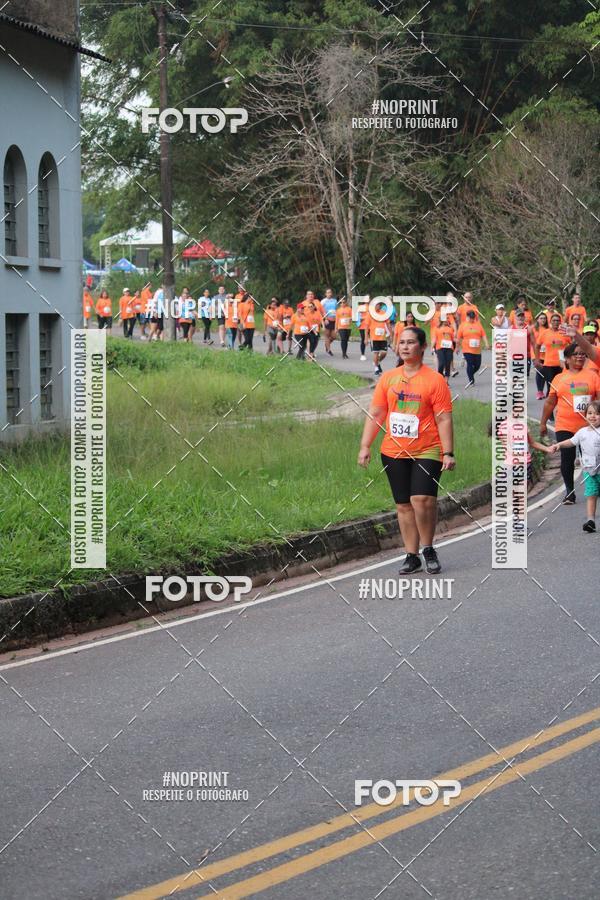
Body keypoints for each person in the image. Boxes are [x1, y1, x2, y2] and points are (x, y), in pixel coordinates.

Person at [357, 326, 455, 575]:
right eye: (401, 342)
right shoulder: (388, 378)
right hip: (393, 450)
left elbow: (443, 418)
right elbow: (377, 412)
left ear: (422, 347)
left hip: (428, 449)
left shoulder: (435, 380)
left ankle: (429, 548)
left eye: (411, 342)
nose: (405, 347)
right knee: (403, 505)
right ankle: (411, 556)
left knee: (422, 500)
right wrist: (365, 445)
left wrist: (448, 452)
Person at [539, 343, 600, 504]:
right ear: (567, 358)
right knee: (567, 459)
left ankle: (594, 487)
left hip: (589, 427)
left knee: (593, 458)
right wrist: (543, 423)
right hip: (565, 424)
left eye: (582, 354)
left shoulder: (592, 376)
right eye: (576, 354)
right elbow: (550, 402)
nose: (580, 357)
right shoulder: (559, 378)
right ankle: (569, 492)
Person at [549, 401, 600, 532]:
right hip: (589, 471)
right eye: (590, 413)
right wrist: (559, 445)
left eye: (597, 413)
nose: (593, 416)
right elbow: (571, 442)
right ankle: (590, 521)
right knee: (591, 495)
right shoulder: (582, 432)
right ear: (585, 415)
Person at [534, 313, 570, 396]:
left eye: (558, 321)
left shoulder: (564, 333)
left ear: (560, 322)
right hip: (549, 364)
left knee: (561, 387)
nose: (556, 322)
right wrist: (537, 359)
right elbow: (537, 346)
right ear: (550, 321)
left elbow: (572, 346)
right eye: (554, 320)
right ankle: (551, 406)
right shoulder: (545, 333)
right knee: (551, 388)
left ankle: (559, 406)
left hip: (562, 364)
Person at [456, 310, 489, 385]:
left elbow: (483, 335)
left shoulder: (478, 325)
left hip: (477, 350)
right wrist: (457, 348)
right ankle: (471, 380)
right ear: (467, 317)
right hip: (467, 349)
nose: (472, 319)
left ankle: (470, 373)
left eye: (473, 318)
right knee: (470, 364)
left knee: (477, 365)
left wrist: (486, 343)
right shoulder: (463, 325)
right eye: (470, 318)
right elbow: (458, 338)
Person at [363, 300, 393, 376]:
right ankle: (376, 369)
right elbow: (366, 327)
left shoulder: (383, 314)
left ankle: (377, 362)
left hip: (383, 337)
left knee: (384, 353)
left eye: (379, 305)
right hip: (374, 337)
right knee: (376, 353)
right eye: (376, 305)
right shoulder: (370, 314)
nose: (378, 306)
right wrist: (366, 338)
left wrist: (391, 334)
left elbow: (388, 324)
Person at [431, 316, 456, 381]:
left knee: (448, 365)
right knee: (441, 364)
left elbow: (453, 339)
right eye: (445, 319)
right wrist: (432, 347)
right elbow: (434, 339)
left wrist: (457, 342)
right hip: (440, 348)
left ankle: (446, 381)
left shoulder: (450, 328)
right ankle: (440, 376)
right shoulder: (436, 329)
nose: (447, 320)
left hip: (449, 348)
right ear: (441, 320)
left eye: (447, 318)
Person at [532, 312, 549, 398]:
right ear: (537, 319)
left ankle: (549, 391)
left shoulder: (548, 329)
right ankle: (540, 391)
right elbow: (531, 342)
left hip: (547, 354)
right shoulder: (533, 329)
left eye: (544, 318)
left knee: (547, 373)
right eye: (541, 318)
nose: (543, 320)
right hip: (536, 354)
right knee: (539, 372)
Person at [322, 288, 338, 355]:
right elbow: (321, 311)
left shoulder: (334, 301)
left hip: (334, 320)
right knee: (327, 335)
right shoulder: (323, 301)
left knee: (334, 336)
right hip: (327, 320)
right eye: (328, 292)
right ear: (325, 294)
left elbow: (336, 310)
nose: (329, 294)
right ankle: (328, 350)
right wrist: (325, 319)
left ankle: (327, 344)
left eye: (330, 292)